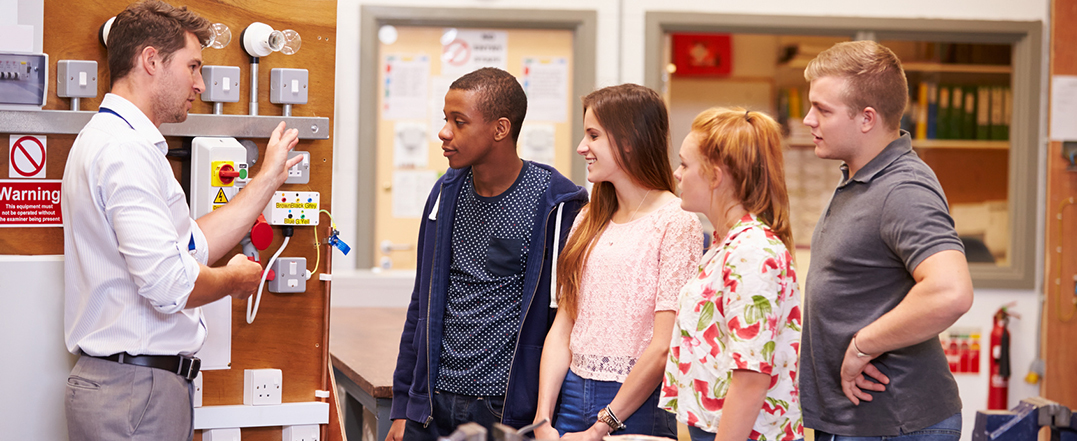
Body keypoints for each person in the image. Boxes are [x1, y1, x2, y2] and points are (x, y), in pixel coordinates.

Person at [61, 1, 304, 440]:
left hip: (134, 389)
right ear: (151, 60)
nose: (200, 83)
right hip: (136, 393)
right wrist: (232, 280)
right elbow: (171, 285)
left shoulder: (117, 142)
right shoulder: (124, 153)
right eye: (193, 66)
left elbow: (190, 244)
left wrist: (266, 181)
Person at [387, 67, 588, 441]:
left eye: (459, 122)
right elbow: (421, 303)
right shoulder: (444, 194)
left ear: (500, 129)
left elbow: (565, 317)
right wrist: (403, 407)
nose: (444, 133)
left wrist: (545, 415)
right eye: (445, 120)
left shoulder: (557, 204)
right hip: (432, 405)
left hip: (506, 410)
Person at [798, 40, 974, 440]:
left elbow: (951, 291)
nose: (808, 119)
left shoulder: (903, 187)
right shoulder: (862, 180)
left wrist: (863, 345)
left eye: (822, 110)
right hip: (860, 421)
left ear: (866, 118)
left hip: (895, 424)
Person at [532, 84, 703, 441]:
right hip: (570, 395)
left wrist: (602, 426)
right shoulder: (587, 219)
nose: (582, 147)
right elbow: (564, 325)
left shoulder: (677, 221)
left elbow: (663, 345)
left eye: (593, 135)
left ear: (628, 140)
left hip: (637, 404)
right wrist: (543, 418)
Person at [659, 107, 803, 441]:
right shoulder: (728, 243)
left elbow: (751, 379)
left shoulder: (752, 251)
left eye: (684, 163)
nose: (677, 174)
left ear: (715, 175)